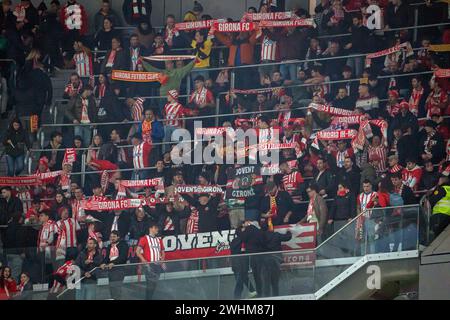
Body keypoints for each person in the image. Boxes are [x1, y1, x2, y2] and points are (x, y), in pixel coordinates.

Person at [136, 222, 165, 300]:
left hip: (157, 265)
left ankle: (149, 298)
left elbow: (162, 251)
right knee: (150, 284)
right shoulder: (144, 239)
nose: (157, 229)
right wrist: (145, 261)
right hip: (149, 265)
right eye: (155, 228)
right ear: (150, 228)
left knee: (154, 284)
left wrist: (162, 261)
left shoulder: (159, 240)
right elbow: (138, 251)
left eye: (157, 228)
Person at [262, 229, 292, 297]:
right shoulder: (276, 235)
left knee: (266, 282)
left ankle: (266, 297)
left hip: (265, 261)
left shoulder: (261, 236)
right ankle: (276, 296)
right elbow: (288, 237)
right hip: (276, 261)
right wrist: (288, 231)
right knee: (275, 282)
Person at [100, 230, 129, 300]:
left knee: (117, 288)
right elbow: (107, 258)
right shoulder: (109, 246)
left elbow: (123, 257)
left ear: (118, 237)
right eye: (111, 236)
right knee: (112, 288)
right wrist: (103, 263)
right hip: (111, 270)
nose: (112, 238)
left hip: (119, 269)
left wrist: (114, 263)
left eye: (114, 236)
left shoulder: (123, 244)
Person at [230, 226, 257, 300]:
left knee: (242, 280)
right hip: (239, 265)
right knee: (240, 282)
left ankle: (252, 292)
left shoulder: (238, 241)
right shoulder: (237, 241)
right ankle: (238, 296)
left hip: (240, 265)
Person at [429, 172, 450, 239]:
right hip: (448, 216)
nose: (439, 180)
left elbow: (431, 200)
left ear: (445, 179)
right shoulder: (447, 189)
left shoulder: (442, 189)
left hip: (439, 215)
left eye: (440, 178)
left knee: (435, 237)